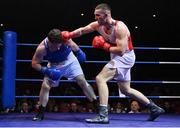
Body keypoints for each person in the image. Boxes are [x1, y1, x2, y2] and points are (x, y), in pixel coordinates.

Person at [61, 3, 165, 123]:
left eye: (97, 15)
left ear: (106, 15)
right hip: (117, 56)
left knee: (100, 78)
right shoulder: (98, 25)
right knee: (126, 89)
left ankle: (103, 115)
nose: (95, 18)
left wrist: (104, 45)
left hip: (125, 56)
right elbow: (83, 30)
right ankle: (154, 108)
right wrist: (70, 35)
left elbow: (121, 50)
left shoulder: (120, 27)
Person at [31, 28, 97, 121]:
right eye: (55, 45)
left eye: (60, 44)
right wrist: (46, 70)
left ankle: (98, 108)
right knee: (45, 86)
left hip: (70, 60)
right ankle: (40, 113)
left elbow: (74, 46)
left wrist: (79, 52)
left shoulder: (65, 37)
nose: (58, 47)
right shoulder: (42, 48)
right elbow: (34, 63)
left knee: (82, 80)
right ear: (50, 42)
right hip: (54, 65)